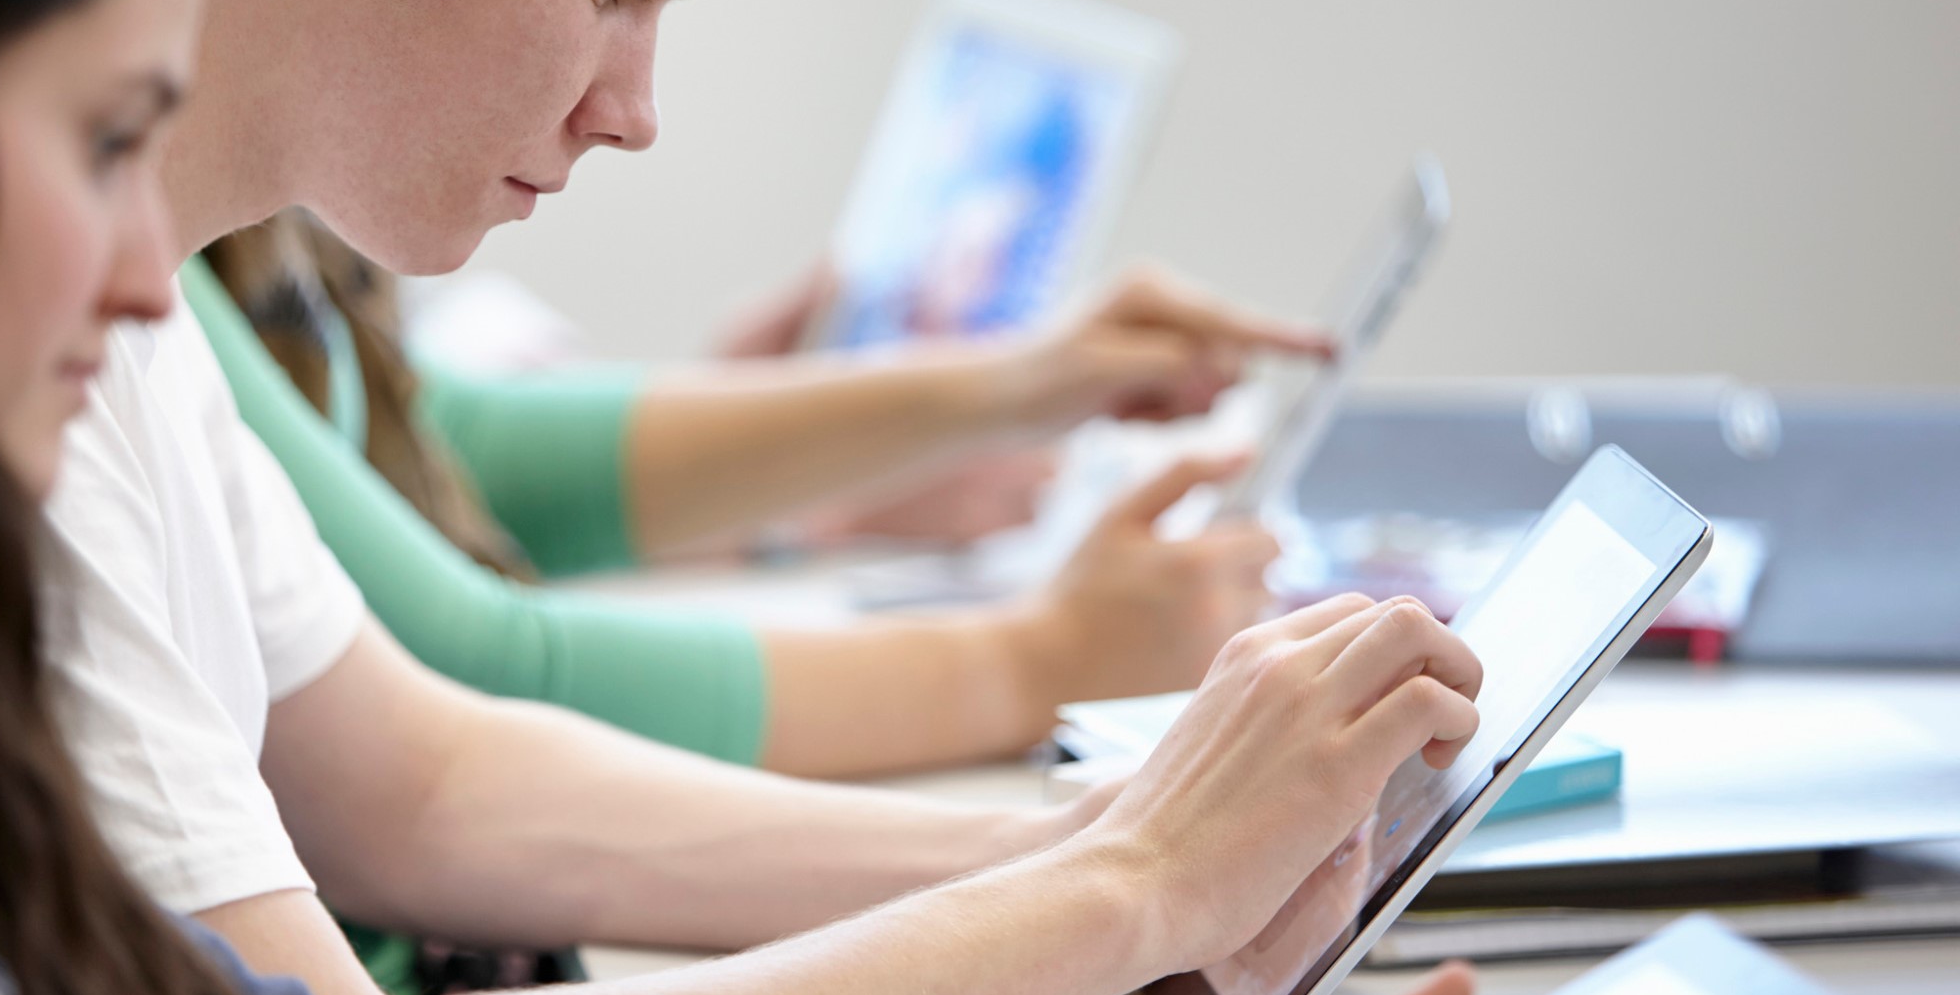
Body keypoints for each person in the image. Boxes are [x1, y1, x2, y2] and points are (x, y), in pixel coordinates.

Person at [0, 0, 1489, 995]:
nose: (637, 109)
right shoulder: (21, 388)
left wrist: (1115, 860)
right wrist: (1099, 843)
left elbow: (423, 772)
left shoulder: (100, 323)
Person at [190, 209, 1298, 783]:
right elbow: (448, 672)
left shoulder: (254, 234)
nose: (636, 112)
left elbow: (436, 447)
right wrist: (1037, 666)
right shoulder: (153, 270)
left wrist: (1010, 383)